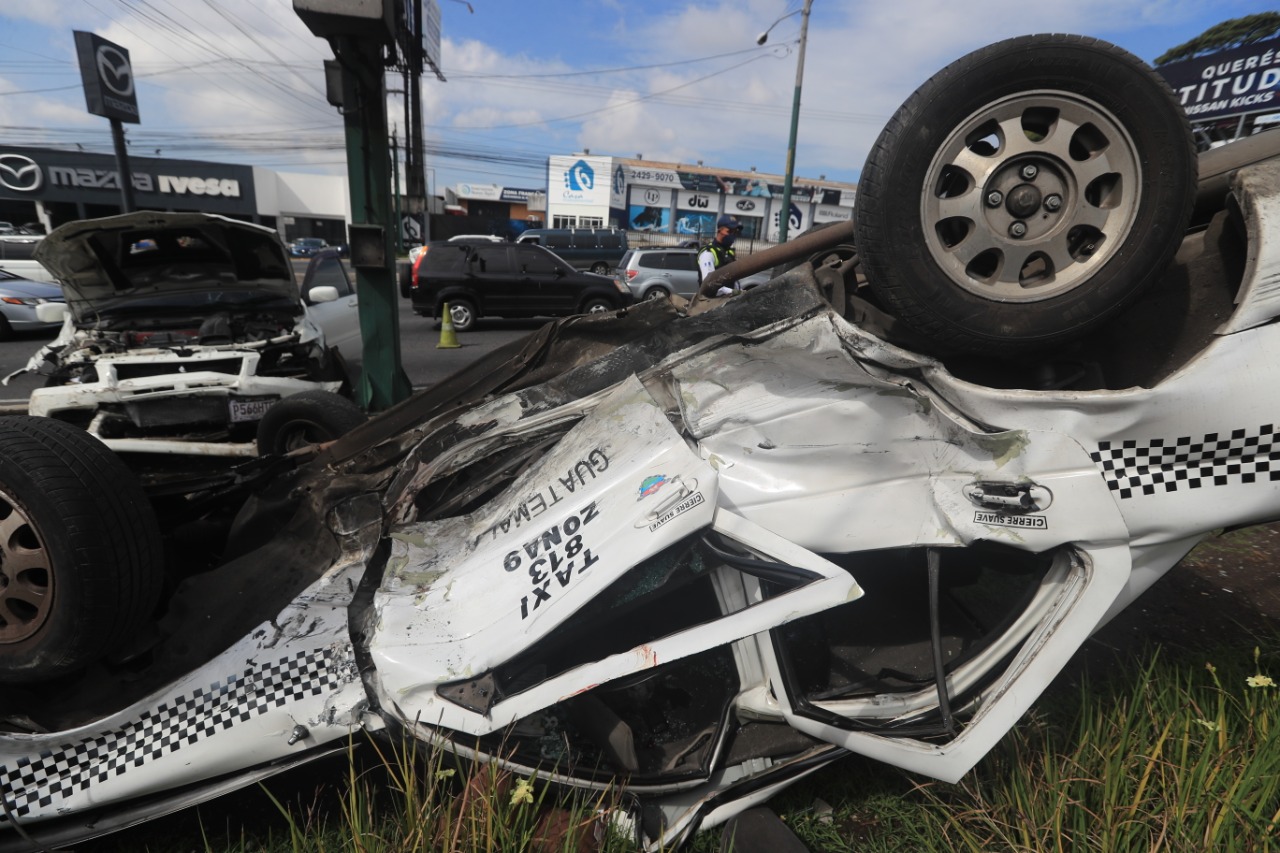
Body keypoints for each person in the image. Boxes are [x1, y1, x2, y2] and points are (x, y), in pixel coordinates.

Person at [697, 214, 743, 296]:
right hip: (712, 303)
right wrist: (732, 292)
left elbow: (734, 281)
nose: (732, 235)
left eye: (735, 232)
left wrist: (740, 291)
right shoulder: (708, 253)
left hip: (728, 301)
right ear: (719, 230)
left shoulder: (729, 253)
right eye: (729, 231)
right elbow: (709, 284)